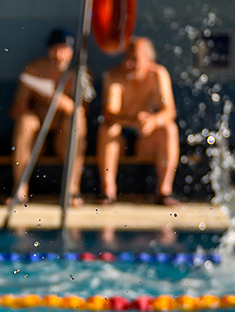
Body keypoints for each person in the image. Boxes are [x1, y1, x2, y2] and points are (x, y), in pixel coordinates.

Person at [10, 28, 92, 206]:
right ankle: (20, 189)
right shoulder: (34, 69)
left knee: (76, 121)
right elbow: (16, 110)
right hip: (38, 128)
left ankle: (72, 190)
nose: (59, 54)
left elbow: (83, 111)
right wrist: (30, 106)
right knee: (25, 122)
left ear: (71, 52)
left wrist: (61, 101)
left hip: (63, 130)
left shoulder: (79, 74)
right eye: (55, 48)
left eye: (64, 49)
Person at [97, 37, 180, 206]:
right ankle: (108, 191)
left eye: (134, 60)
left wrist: (153, 121)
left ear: (149, 61)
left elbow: (170, 111)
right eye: (126, 58)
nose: (128, 64)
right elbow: (109, 113)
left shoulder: (158, 74)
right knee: (108, 129)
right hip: (121, 137)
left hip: (145, 137)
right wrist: (133, 121)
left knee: (169, 129)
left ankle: (164, 191)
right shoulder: (114, 75)